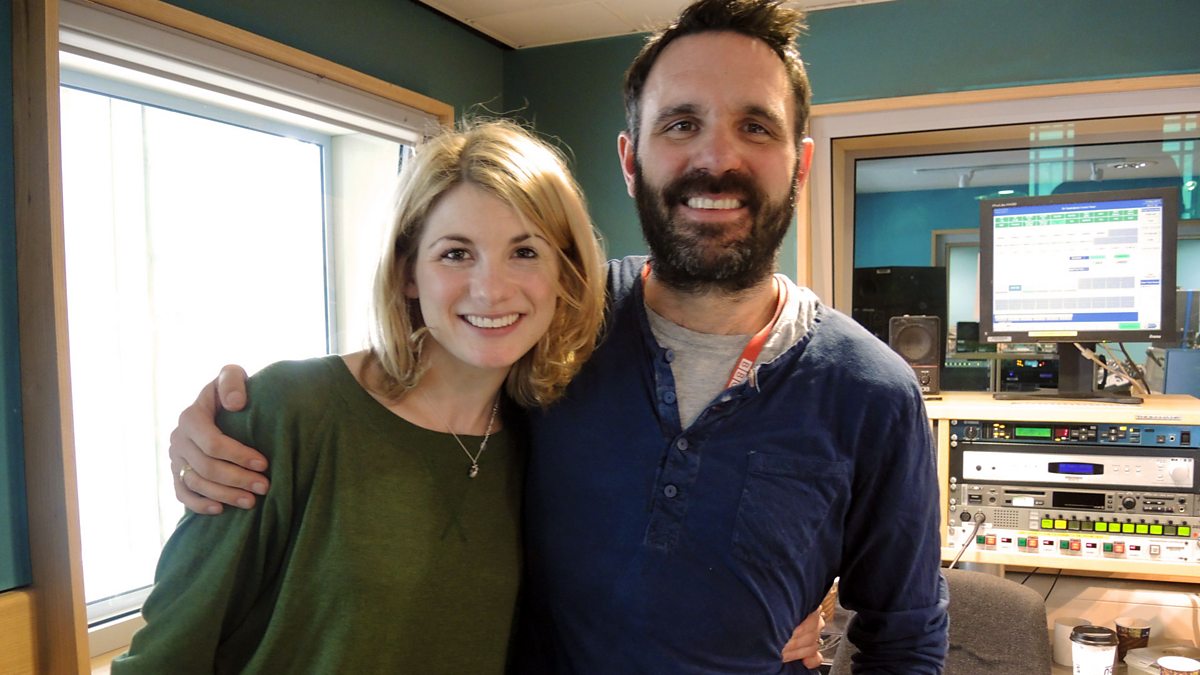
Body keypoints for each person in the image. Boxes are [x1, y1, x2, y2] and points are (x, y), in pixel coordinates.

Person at [169, 0, 947, 672]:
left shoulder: (873, 394)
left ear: (800, 166)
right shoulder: (555, 324)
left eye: (755, 125)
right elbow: (409, 377)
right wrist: (236, 422)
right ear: (631, 160)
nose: (717, 157)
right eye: (681, 124)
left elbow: (906, 637)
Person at [112, 119, 610, 673]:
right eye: (455, 254)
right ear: (407, 273)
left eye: (525, 252)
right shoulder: (289, 412)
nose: (491, 289)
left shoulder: (550, 436)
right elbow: (166, 655)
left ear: (564, 273)